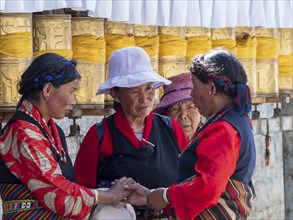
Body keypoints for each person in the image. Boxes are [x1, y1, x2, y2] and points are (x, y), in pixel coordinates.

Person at [125, 49, 257, 220]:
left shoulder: (224, 129)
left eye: (194, 86)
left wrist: (166, 196)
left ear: (211, 88)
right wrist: (151, 196)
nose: (192, 94)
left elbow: (208, 187)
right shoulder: (236, 120)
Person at [0, 53, 134, 219]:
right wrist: (110, 196)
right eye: (71, 91)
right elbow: (57, 193)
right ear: (47, 90)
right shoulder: (23, 132)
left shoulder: (53, 131)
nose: (74, 101)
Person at [74, 47, 189, 218]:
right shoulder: (99, 135)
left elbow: (189, 180)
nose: (145, 99)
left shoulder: (170, 128)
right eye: (135, 91)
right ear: (115, 93)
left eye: (149, 88)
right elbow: (82, 192)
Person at [153, 72, 203, 142]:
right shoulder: (159, 144)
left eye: (190, 107)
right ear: (166, 115)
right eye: (175, 108)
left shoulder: (212, 141)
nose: (183, 115)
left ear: (201, 113)